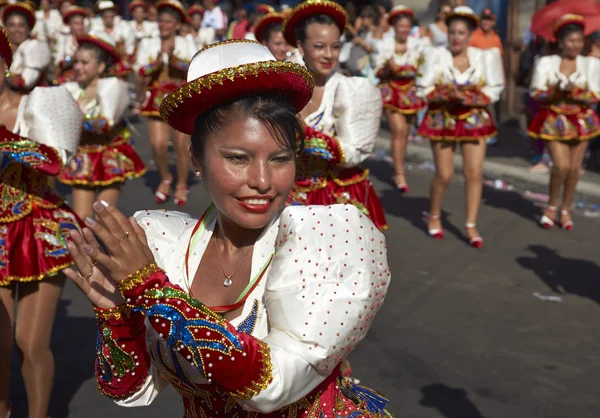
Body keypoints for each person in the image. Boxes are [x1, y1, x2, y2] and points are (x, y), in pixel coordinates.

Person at [63, 38, 392, 418]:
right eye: (238, 158)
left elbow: (273, 386)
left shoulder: (327, 240)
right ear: (196, 159)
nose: (263, 181)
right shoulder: (163, 244)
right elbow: (127, 389)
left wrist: (150, 291)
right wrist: (116, 316)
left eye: (280, 159)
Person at [0, 27, 83, 418]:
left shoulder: (40, 102)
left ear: (5, 64)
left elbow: (55, 159)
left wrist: (6, 140)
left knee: (28, 341)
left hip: (36, 227)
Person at [282, 0, 387, 230]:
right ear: (301, 47)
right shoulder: (283, 86)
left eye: (336, 46)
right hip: (284, 192)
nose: (329, 55)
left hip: (334, 196)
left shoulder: (349, 89)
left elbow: (354, 150)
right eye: (319, 46)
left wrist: (308, 135)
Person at [416, 6, 504, 248]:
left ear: (469, 35)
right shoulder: (434, 55)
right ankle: (433, 214)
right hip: (443, 118)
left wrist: (471, 98)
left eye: (461, 33)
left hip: (474, 119)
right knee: (444, 174)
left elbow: (495, 89)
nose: (456, 37)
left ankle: (471, 224)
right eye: (452, 32)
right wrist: (446, 94)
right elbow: (422, 88)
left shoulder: (486, 56)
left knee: (474, 173)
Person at [58, 33, 146, 221]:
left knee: (103, 216)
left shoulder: (113, 86)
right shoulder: (71, 88)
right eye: (76, 61)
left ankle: (117, 249)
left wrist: (71, 119)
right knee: (82, 217)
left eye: (84, 62)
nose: (77, 67)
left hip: (109, 154)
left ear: (100, 67)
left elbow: (105, 124)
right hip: (82, 155)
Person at [527, 15, 600, 231]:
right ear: (560, 42)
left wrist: (576, 92)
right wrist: (556, 91)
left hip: (581, 120)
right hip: (555, 119)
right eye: (571, 40)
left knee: (575, 168)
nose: (576, 45)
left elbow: (596, 95)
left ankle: (566, 208)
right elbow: (536, 92)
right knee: (561, 166)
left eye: (579, 41)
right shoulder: (546, 63)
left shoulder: (591, 64)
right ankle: (551, 204)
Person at [133, 0, 196, 205]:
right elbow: (141, 70)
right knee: (157, 144)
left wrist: (175, 60)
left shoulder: (187, 42)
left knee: (181, 145)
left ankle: (181, 183)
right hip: (156, 98)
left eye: (168, 22)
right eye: (161, 21)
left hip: (181, 98)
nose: (163, 25)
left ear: (177, 24)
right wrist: (158, 62)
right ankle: (165, 177)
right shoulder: (148, 43)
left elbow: (195, 66)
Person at [375, 5, 429, 193]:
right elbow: (378, 70)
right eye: (400, 26)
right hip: (391, 90)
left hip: (410, 91)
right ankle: (399, 173)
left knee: (405, 132)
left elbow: (423, 68)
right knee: (397, 130)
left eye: (407, 26)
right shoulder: (384, 45)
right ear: (394, 27)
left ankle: (398, 165)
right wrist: (389, 69)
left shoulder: (418, 45)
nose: (404, 29)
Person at [2, 2, 51, 92]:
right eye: (12, 25)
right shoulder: (3, 50)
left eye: (21, 25)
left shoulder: (34, 47)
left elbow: (26, 81)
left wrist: (5, 75)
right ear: (6, 28)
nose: (16, 30)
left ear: (29, 29)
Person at [52, 6, 88, 84]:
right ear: (69, 25)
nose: (80, 27)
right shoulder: (63, 39)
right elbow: (60, 62)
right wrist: (70, 58)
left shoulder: (87, 40)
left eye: (81, 23)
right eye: (76, 24)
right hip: (65, 76)